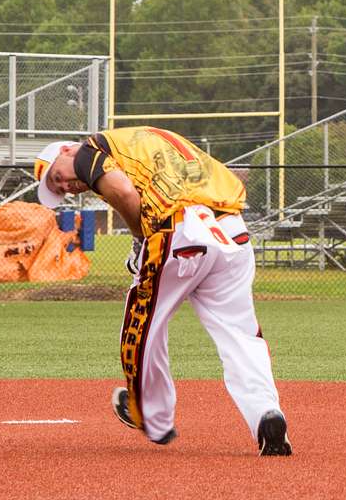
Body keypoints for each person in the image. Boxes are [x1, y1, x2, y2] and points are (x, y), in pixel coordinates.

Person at [33, 127, 292, 455]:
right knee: (242, 334)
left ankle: (152, 415)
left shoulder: (88, 151)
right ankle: (267, 415)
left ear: (66, 151)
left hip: (178, 229)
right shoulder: (144, 139)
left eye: (58, 177)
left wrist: (141, 239)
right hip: (231, 229)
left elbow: (124, 194)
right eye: (62, 191)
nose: (66, 187)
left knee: (142, 326)